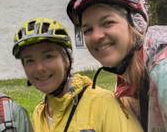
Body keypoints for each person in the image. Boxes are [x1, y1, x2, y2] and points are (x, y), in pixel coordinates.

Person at [67, 0, 167, 132]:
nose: (96, 36)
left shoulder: (162, 66)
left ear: (136, 23)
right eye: (87, 30)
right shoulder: (125, 75)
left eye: (107, 23)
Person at [12, 17, 143, 132]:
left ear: (66, 59)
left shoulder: (102, 103)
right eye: (29, 60)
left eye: (48, 56)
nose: (39, 68)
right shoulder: (39, 114)